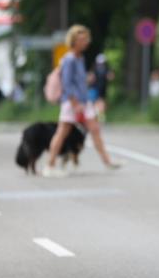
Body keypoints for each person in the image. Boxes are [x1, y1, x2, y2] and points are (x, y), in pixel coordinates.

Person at [44, 24, 121, 177]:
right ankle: (49, 165)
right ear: (73, 41)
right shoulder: (69, 59)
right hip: (72, 103)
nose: (85, 42)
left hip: (84, 102)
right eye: (82, 39)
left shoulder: (80, 58)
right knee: (62, 132)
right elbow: (66, 83)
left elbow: (78, 81)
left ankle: (107, 161)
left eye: (86, 39)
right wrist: (74, 103)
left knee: (95, 129)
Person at [87, 53, 114, 120]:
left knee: (102, 103)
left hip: (102, 88)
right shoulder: (94, 69)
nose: (101, 64)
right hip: (95, 88)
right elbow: (90, 78)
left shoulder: (107, 69)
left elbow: (111, 77)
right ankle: (95, 116)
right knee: (94, 103)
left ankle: (99, 116)